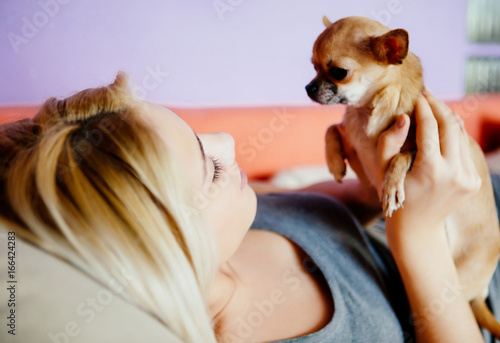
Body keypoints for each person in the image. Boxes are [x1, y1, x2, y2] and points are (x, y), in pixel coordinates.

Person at [0, 73, 499, 343]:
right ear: (168, 241)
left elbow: (351, 199)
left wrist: (381, 179)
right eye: (210, 167)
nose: (227, 142)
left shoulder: (242, 218)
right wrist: (420, 240)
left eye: (200, 134)